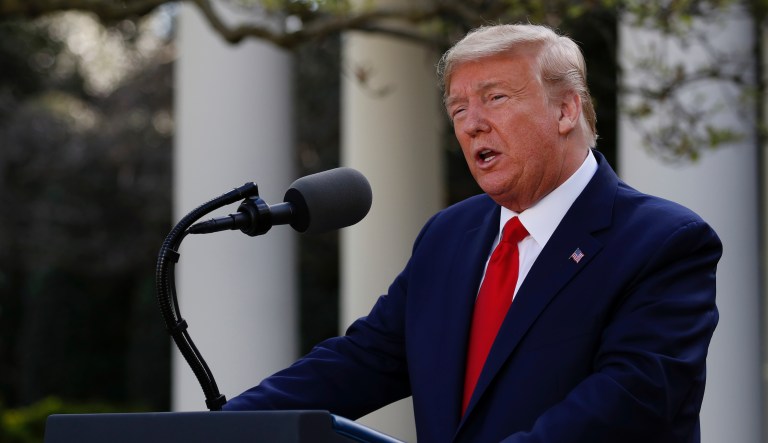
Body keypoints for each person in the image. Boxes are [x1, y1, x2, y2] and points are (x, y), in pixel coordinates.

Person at [223, 23, 721, 443]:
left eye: (495, 98)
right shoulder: (449, 235)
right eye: (458, 110)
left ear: (567, 110)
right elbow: (362, 360)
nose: (472, 125)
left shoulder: (663, 241)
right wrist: (214, 429)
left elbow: (627, 403)